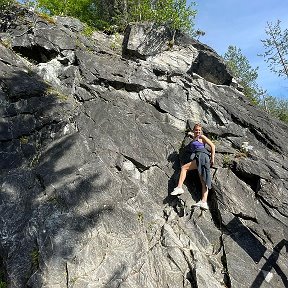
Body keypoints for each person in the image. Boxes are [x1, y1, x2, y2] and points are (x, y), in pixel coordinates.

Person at [171, 123, 215, 210]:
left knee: (184, 168)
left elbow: (213, 146)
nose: (198, 131)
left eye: (199, 130)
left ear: (201, 131)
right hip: (200, 158)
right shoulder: (195, 138)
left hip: (202, 157)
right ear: (194, 130)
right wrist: (191, 135)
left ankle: (179, 187)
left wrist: (212, 158)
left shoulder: (202, 137)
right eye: (196, 130)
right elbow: (193, 139)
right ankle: (204, 202)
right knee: (203, 181)